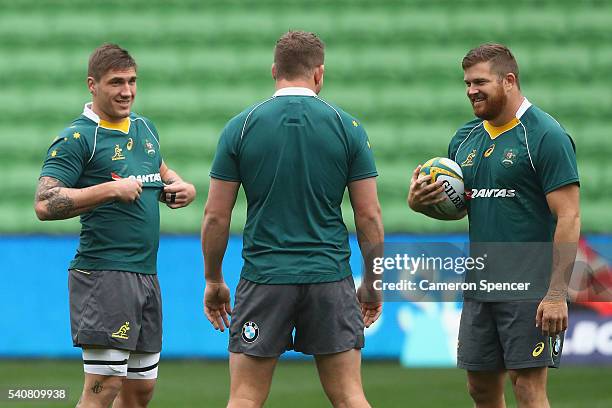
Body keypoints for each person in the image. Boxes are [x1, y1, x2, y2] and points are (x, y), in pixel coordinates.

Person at [201, 31, 384, 408]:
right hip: (329, 277)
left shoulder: (241, 126)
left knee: (245, 398)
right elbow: (368, 215)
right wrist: (373, 282)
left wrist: (214, 278)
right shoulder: (347, 127)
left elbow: (216, 216)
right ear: (319, 74)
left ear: (274, 71)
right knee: (351, 397)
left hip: (265, 277)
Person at [408, 43, 580, 408]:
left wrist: (556, 294)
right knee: (480, 387)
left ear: (509, 80)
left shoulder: (545, 136)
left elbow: (570, 216)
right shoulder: (464, 139)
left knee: (528, 388)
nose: (471, 90)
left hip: (530, 287)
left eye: (480, 82)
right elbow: (460, 206)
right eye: (467, 83)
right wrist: (420, 204)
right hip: (482, 283)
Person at [34, 44, 196, 408]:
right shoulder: (77, 138)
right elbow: (44, 204)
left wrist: (182, 187)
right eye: (116, 82)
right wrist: (109, 189)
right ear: (92, 85)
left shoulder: (145, 128)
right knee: (103, 387)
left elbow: (163, 173)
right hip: (105, 276)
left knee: (140, 393)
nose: (127, 91)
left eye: (132, 81)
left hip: (146, 276)